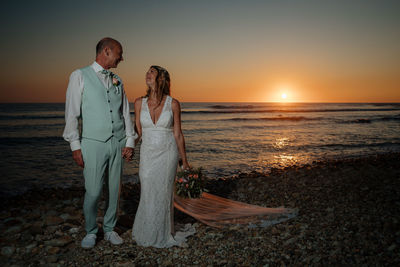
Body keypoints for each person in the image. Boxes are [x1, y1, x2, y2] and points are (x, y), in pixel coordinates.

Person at [63, 37, 137, 248]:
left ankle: (110, 228)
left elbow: (124, 112)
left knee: (115, 190)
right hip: (92, 143)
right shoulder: (79, 76)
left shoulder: (118, 80)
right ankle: (90, 230)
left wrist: (130, 140)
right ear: (106, 51)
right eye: (119, 53)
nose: (122, 58)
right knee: (94, 190)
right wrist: (75, 145)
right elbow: (72, 114)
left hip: (118, 141)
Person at [132, 65, 195, 248]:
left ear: (161, 78)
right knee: (148, 187)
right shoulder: (138, 103)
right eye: (147, 71)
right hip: (148, 153)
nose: (147, 74)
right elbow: (138, 132)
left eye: (152, 71)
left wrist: (185, 161)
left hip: (168, 153)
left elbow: (178, 134)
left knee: (164, 192)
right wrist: (129, 148)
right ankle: (147, 228)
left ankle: (162, 232)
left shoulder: (173, 103)